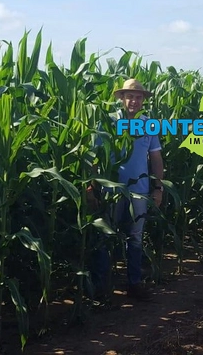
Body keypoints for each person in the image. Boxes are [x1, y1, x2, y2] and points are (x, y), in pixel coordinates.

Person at [88, 78, 164, 301]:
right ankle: (102, 288)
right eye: (130, 96)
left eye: (138, 97)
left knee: (136, 238)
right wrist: (91, 186)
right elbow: (92, 158)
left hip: (139, 191)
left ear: (143, 101)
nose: (134, 100)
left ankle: (134, 284)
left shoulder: (149, 124)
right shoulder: (107, 122)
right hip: (111, 192)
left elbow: (156, 158)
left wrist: (158, 188)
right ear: (122, 98)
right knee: (105, 237)